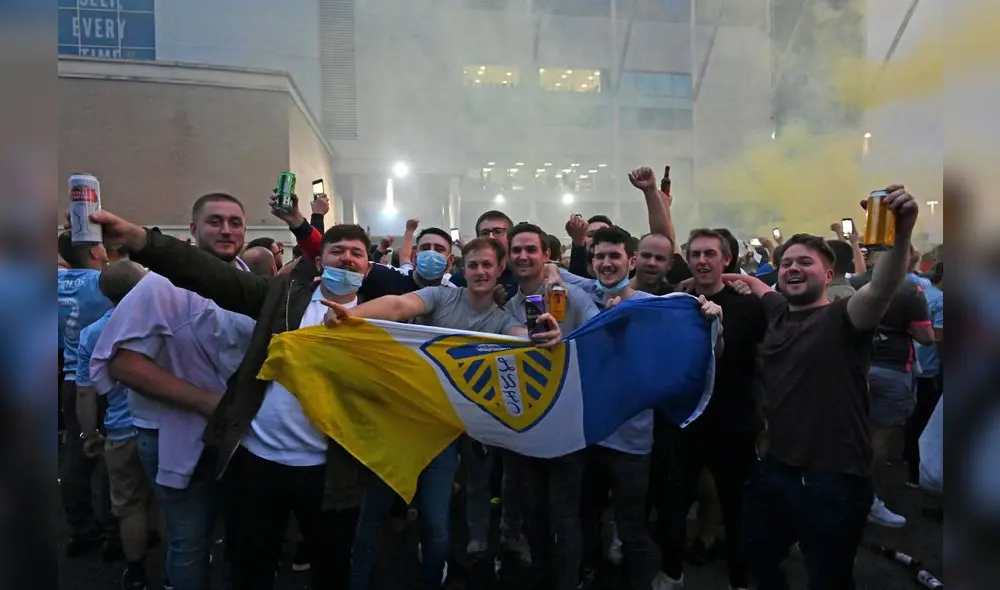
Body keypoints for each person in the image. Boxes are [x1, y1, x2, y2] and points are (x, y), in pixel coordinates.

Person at [81, 204, 376, 590]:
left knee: (331, 566)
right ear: (318, 259)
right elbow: (208, 274)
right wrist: (142, 241)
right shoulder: (282, 296)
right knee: (250, 566)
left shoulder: (382, 320)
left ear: (369, 268)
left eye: (357, 253)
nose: (347, 259)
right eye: (337, 251)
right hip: (258, 462)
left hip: (330, 472)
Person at [723, 185, 920, 589]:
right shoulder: (778, 311)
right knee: (758, 559)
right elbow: (761, 289)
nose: (793, 268)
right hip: (776, 470)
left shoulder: (845, 319)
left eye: (805, 263)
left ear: (829, 275)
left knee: (828, 578)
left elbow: (881, 287)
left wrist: (902, 235)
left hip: (833, 480)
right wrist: (718, 275)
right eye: (786, 263)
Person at [88, 194, 256, 590]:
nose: (227, 230)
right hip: (172, 432)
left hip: (240, 435)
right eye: (215, 221)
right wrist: (208, 402)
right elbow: (123, 363)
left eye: (235, 222)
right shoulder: (159, 287)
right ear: (193, 230)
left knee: (240, 536)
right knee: (189, 541)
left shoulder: (250, 282)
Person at [658, 229, 766, 590]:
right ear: (686, 261)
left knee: (737, 507)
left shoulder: (748, 305)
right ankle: (673, 571)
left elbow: (752, 356)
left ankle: (740, 577)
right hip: (685, 421)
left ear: (726, 259)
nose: (702, 260)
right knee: (674, 504)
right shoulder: (677, 299)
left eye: (710, 254)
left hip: (734, 421)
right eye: (695, 254)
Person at [75, 260, 153, 590]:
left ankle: (136, 570)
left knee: (128, 503)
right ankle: (176, 561)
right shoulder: (162, 323)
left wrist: (90, 433)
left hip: (119, 430)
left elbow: (84, 392)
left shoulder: (92, 334)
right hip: (160, 426)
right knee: (170, 497)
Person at [57, 231, 113, 558]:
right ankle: (114, 527)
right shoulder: (102, 283)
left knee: (76, 452)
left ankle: (81, 528)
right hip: (107, 376)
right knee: (114, 450)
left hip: (69, 376)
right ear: (95, 249)